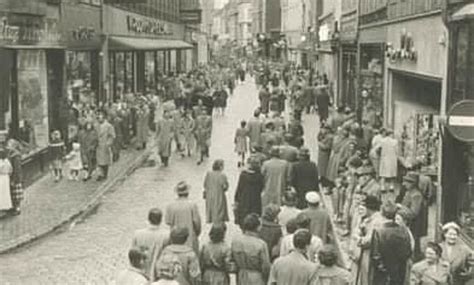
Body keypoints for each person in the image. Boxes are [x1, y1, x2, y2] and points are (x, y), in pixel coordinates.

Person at [371, 201, 413, 285]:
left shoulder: (378, 231)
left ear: (382, 214)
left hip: (383, 275)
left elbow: (375, 256)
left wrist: (384, 271)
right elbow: (408, 252)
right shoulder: (404, 230)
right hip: (399, 273)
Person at [353, 195, 386, 285]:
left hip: (371, 254)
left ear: (369, 208)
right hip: (368, 253)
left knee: (367, 278)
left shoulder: (377, 221)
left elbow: (368, 241)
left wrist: (358, 238)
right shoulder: (372, 218)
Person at [231, 213, 271, 285]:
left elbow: (232, 261)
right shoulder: (261, 244)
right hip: (257, 278)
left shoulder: (235, 241)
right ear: (257, 227)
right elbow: (266, 267)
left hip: (241, 276)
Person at [131, 208, 170, 281]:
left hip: (140, 273)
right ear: (160, 220)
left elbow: (133, 253)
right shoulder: (166, 235)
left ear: (148, 219)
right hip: (157, 274)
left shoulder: (137, 234)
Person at [166, 181, 202, 254]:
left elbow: (168, 222)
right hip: (190, 240)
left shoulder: (170, 205)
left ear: (177, 193)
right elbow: (197, 223)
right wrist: (196, 234)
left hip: (175, 241)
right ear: (187, 192)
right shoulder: (192, 205)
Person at [399, 172, 428, 261]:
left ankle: (415, 258)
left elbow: (413, 213)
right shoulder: (409, 192)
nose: (404, 184)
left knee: (414, 241)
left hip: (415, 224)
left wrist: (399, 210)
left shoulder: (416, 195)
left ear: (413, 183)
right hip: (410, 222)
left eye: (407, 182)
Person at [234, 156, 265, 227]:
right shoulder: (260, 176)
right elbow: (261, 187)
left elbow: (239, 188)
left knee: (244, 216)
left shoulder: (243, 175)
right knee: (254, 215)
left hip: (244, 198)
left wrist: (236, 199)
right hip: (256, 199)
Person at [203, 159, 229, 224]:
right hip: (219, 196)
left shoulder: (209, 174)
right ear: (220, 166)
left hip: (210, 196)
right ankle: (218, 224)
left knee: (211, 209)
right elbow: (225, 187)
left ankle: (212, 220)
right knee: (219, 210)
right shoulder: (222, 175)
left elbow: (205, 184)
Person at [96, 111, 116, 180]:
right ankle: (100, 174)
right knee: (99, 161)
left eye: (101, 118)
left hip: (105, 145)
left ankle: (105, 174)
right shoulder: (96, 126)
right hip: (98, 145)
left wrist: (109, 143)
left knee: (105, 161)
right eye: (98, 118)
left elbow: (112, 135)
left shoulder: (108, 126)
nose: (99, 119)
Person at [6, 139, 23, 214]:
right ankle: (14, 207)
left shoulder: (16, 155)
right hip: (11, 176)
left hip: (15, 177)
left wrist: (14, 179)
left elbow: (17, 169)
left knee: (16, 194)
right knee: (13, 193)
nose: (7, 146)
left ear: (13, 146)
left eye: (9, 144)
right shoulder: (10, 154)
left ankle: (17, 208)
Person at [0, 146, 13, 211]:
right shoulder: (7, 161)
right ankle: (6, 207)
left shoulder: (1, 162)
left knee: (1, 193)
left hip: (1, 178)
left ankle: (2, 208)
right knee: (6, 193)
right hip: (6, 177)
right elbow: (11, 170)